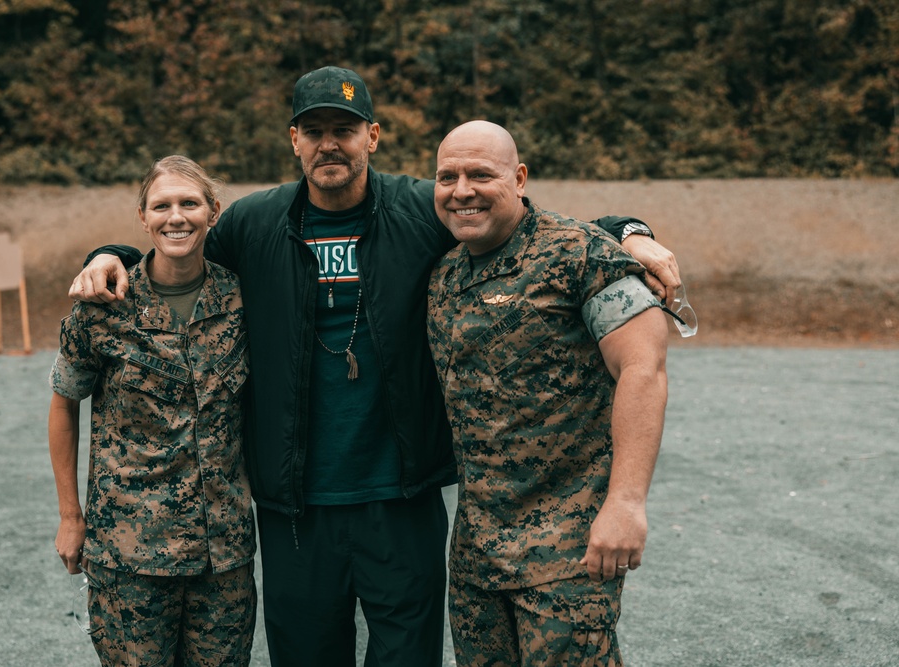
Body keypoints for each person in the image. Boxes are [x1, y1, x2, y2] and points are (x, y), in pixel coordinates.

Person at [68, 67, 681, 667]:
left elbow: (522, 224)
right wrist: (110, 252)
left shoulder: (425, 207)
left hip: (401, 498)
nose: (329, 143)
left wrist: (627, 232)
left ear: (373, 136)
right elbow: (177, 244)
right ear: (295, 141)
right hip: (295, 509)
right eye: (314, 131)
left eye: (345, 128)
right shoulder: (254, 224)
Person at [426, 120, 669, 666]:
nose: (462, 190)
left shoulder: (582, 255)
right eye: (448, 176)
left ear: (519, 178)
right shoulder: (443, 274)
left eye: (480, 174)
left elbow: (643, 369)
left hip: (569, 555)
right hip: (475, 558)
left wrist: (626, 502)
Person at [48, 156, 255, 666]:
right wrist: (71, 517)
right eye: (161, 206)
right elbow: (63, 407)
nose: (176, 217)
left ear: (213, 211)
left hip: (222, 556)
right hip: (130, 553)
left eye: (190, 203)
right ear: (143, 217)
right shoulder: (103, 306)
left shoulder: (243, 299)